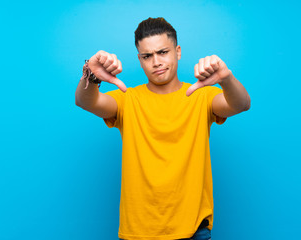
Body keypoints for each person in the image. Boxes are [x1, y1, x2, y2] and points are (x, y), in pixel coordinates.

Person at [75, 17, 250, 240]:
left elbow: (241, 104)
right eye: (147, 56)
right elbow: (85, 101)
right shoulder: (128, 100)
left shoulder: (202, 97)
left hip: (193, 229)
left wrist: (225, 79)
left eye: (163, 52)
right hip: (138, 232)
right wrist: (90, 73)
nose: (156, 62)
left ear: (177, 51)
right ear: (140, 60)